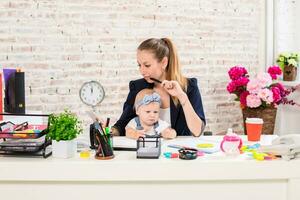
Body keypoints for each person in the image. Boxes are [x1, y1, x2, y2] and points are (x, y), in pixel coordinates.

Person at [113, 38, 206, 137]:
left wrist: (181, 96)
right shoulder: (137, 87)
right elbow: (122, 125)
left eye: (147, 65)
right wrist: (110, 131)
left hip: (178, 151)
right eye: (139, 65)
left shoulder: (189, 86)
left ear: (164, 62)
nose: (142, 71)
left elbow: (197, 131)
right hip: (147, 149)